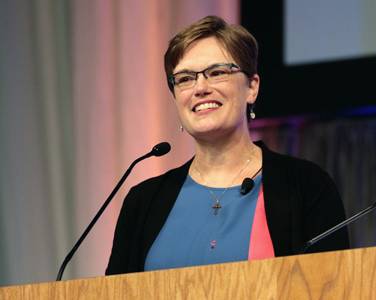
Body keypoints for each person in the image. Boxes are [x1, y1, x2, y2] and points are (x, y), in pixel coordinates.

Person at [105, 15, 349, 275]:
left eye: (217, 73)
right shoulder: (143, 201)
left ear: (251, 88)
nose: (200, 88)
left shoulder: (306, 186)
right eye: (185, 78)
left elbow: (332, 286)